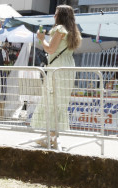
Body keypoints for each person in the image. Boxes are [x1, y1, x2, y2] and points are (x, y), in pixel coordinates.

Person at [30, 5, 82, 148]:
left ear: (60, 16)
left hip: (57, 67)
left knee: (51, 99)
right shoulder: (73, 32)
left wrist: (41, 39)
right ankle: (51, 135)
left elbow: (50, 49)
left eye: (56, 13)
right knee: (60, 102)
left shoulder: (59, 30)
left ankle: (50, 135)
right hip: (68, 67)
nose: (54, 16)